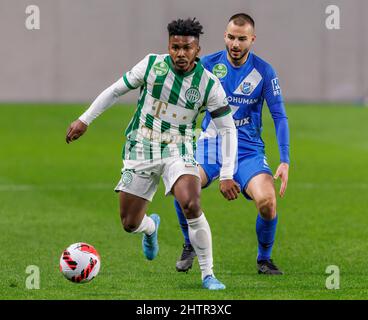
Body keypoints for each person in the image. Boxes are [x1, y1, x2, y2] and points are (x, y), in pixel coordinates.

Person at [65, 18, 240, 290]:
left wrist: (227, 174)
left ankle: (208, 274)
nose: (180, 54)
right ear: (169, 46)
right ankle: (150, 228)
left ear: (198, 50)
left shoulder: (208, 84)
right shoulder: (150, 65)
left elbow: (228, 129)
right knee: (129, 223)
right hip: (141, 148)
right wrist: (84, 120)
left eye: (187, 48)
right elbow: (115, 91)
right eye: (175, 47)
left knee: (192, 203)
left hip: (179, 149)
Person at [174, 13, 290, 275]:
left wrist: (284, 159)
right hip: (211, 145)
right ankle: (189, 243)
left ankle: (264, 259)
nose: (235, 44)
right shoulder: (205, 65)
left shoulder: (264, 72)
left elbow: (279, 116)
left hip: (247, 150)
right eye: (231, 37)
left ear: (252, 40)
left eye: (241, 39)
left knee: (268, 202)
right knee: (182, 184)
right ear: (224, 37)